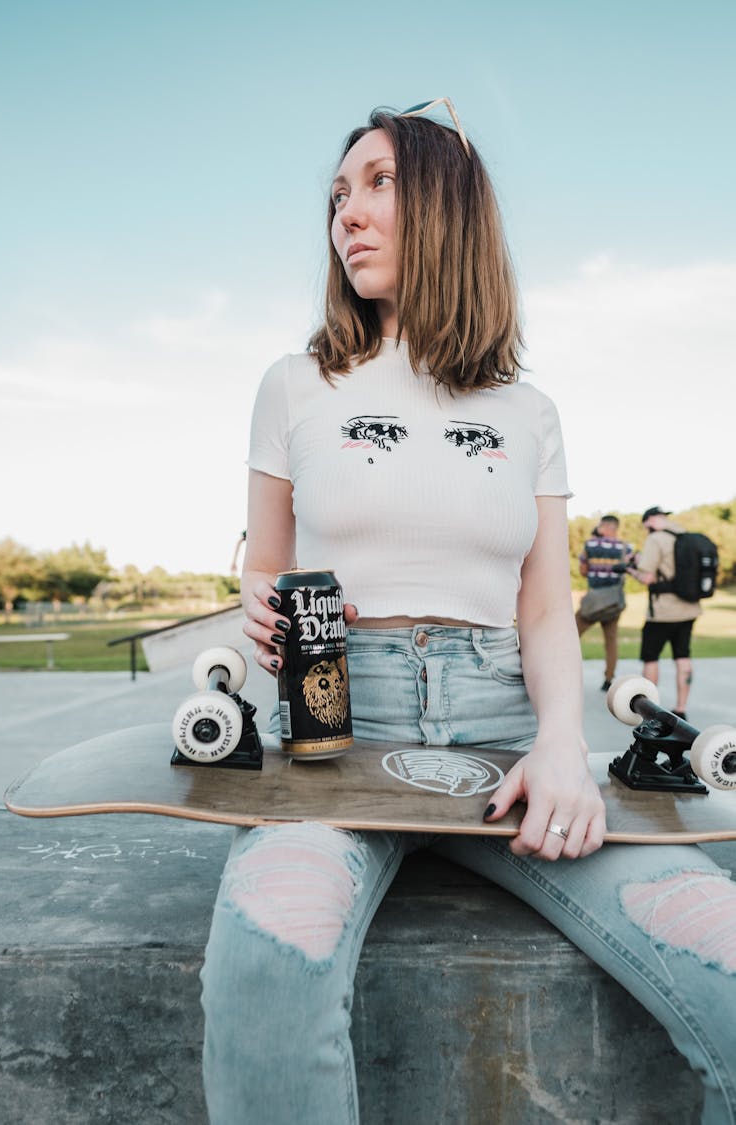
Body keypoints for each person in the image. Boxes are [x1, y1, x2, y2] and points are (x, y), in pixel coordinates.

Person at [200, 102, 736, 1124]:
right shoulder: (293, 384)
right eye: (337, 195)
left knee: (722, 944)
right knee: (267, 968)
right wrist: (258, 612)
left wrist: (566, 745)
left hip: (508, 727)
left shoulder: (528, 413)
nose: (345, 215)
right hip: (334, 732)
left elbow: (542, 604)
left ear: (449, 205)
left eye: (376, 183)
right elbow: (261, 571)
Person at [626, 505, 701, 719]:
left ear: (649, 520)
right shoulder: (684, 534)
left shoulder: (656, 539)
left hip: (662, 611)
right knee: (683, 656)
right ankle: (681, 708)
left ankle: (651, 712)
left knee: (651, 658)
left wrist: (631, 571)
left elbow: (648, 577)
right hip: (689, 608)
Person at [575, 514, 634, 691]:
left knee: (571, 635)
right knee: (611, 641)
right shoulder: (626, 548)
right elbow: (628, 570)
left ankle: (565, 673)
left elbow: (583, 571)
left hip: (593, 601)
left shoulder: (590, 544)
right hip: (613, 603)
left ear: (604, 527)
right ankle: (608, 679)